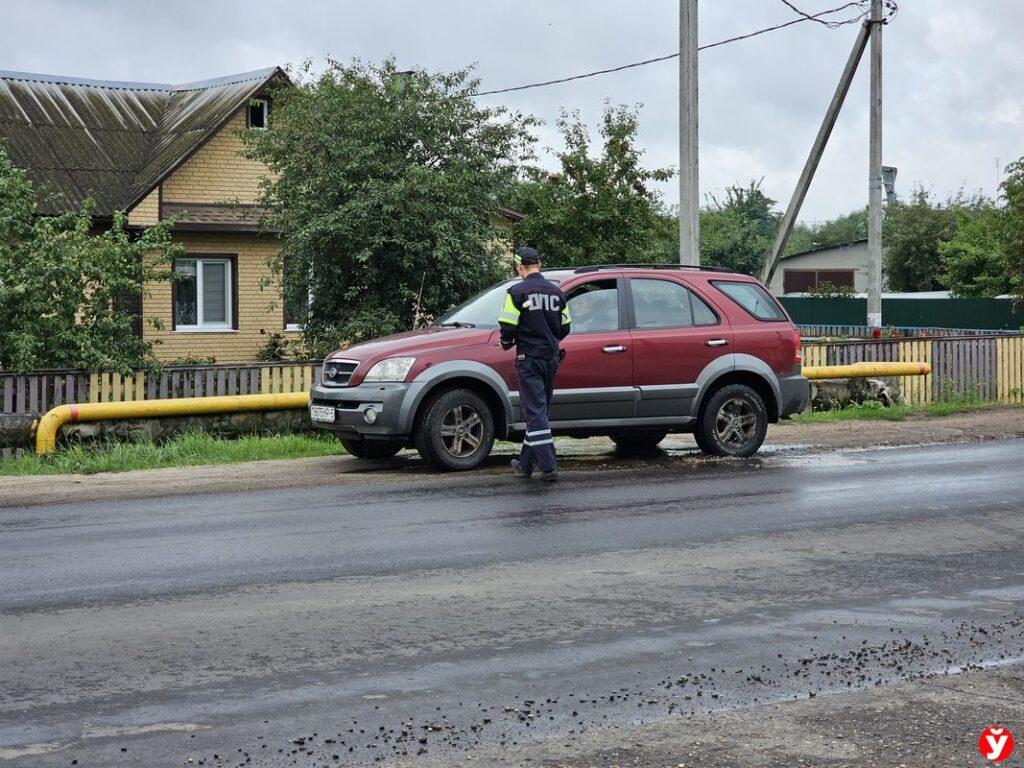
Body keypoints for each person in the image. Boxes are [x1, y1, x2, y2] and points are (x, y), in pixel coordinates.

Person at [498, 246, 571, 481]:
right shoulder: (557, 292)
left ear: (520, 266)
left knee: (535, 413)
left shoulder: (516, 292)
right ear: (539, 265)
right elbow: (565, 327)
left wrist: (507, 341)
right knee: (540, 410)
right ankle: (525, 465)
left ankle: (549, 466)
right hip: (551, 359)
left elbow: (508, 327)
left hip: (528, 359)